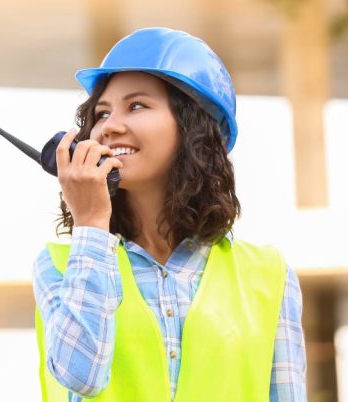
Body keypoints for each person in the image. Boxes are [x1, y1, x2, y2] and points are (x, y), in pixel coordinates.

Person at [32, 27, 306, 402]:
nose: (109, 126)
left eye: (137, 105)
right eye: (101, 112)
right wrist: (92, 224)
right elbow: (82, 376)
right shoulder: (59, 266)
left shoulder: (270, 276)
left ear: (193, 128)